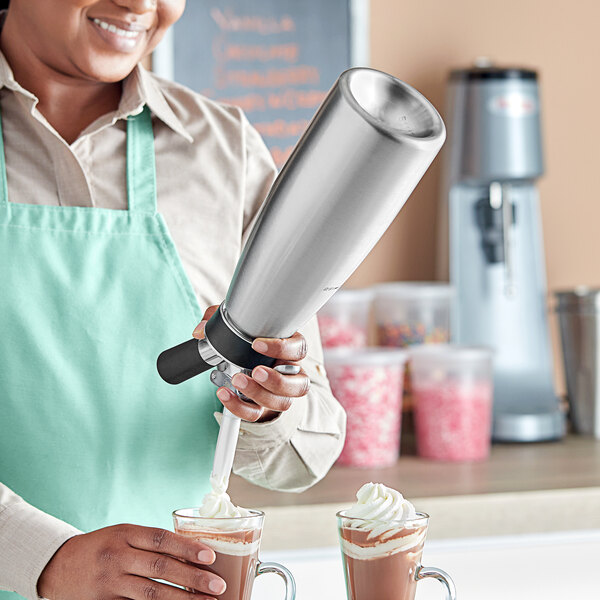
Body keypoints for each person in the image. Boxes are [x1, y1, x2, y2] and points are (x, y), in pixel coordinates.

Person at [0, 2, 346, 600]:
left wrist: (267, 407)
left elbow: (304, 456)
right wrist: (43, 558)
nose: (139, 3)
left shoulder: (225, 151)